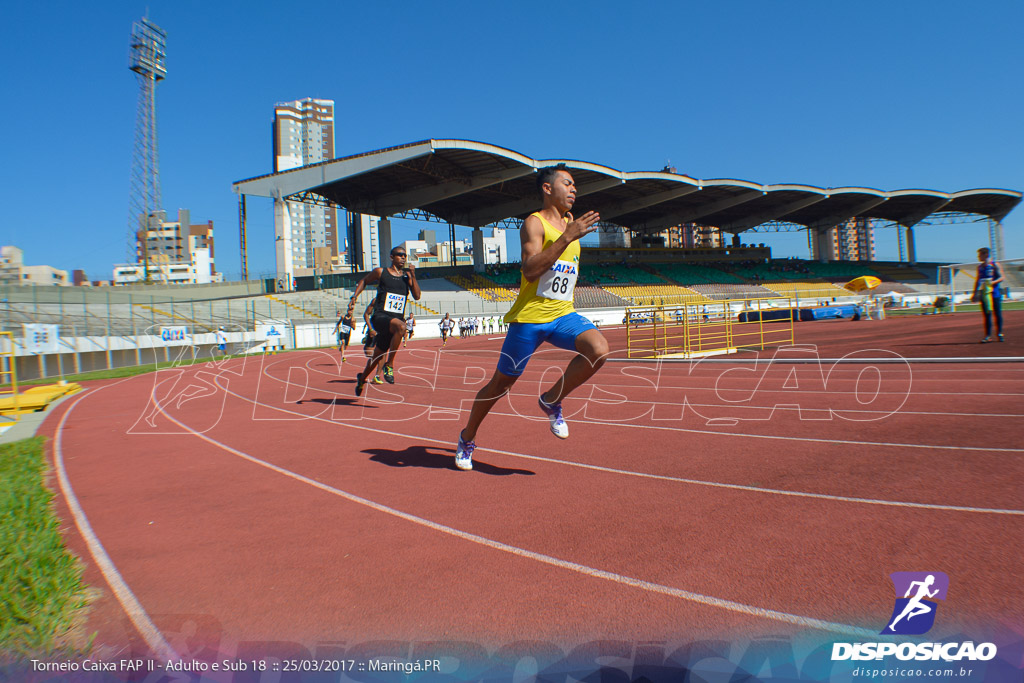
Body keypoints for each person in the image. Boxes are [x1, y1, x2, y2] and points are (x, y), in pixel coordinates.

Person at [454, 165, 608, 471]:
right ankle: (467, 437)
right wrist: (567, 237)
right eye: (568, 183)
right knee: (501, 385)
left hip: (563, 314)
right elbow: (530, 270)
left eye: (575, 185)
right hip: (530, 319)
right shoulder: (534, 224)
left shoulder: (571, 224)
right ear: (548, 189)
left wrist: (570, 232)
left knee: (599, 350)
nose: (574, 189)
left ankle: (551, 400)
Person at [347, 246, 422, 395]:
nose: (403, 258)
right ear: (391, 257)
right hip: (381, 316)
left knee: (376, 357)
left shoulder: (406, 277)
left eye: (405, 256)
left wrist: (413, 275)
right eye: (400, 255)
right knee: (402, 327)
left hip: (394, 322)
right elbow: (364, 281)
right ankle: (390, 365)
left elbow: (417, 295)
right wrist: (354, 297)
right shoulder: (381, 272)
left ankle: (361, 379)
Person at [972, 247, 1004, 343]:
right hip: (984, 295)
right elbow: (978, 280)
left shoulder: (995, 265)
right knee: (987, 315)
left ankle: (1000, 333)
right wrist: (975, 292)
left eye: (980, 255)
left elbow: (1002, 277)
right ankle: (988, 335)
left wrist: (992, 282)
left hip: (995, 294)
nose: (978, 257)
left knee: (997, 314)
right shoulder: (980, 267)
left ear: (986, 254)